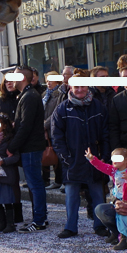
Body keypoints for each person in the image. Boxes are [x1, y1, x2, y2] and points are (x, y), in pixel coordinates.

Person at [50, 81, 109, 238]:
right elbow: (57, 137)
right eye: (76, 87)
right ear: (71, 88)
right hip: (72, 160)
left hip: (95, 159)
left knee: (98, 195)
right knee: (71, 197)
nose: (80, 89)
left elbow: (105, 133)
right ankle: (70, 227)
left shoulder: (98, 106)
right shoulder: (62, 109)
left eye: (83, 86)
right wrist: (66, 158)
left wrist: (104, 156)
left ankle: (100, 225)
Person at [7, 65, 48, 232]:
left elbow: (25, 126)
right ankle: (40, 218)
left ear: (22, 78)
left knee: (35, 185)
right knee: (34, 184)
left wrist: (12, 146)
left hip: (31, 147)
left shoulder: (29, 96)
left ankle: (39, 221)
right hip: (30, 146)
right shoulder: (27, 95)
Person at [86, 147, 127, 250]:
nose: (114, 160)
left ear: (126, 160)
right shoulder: (113, 170)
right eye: (113, 158)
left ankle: (124, 239)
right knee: (112, 214)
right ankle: (116, 233)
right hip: (117, 199)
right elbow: (102, 166)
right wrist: (92, 159)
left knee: (123, 217)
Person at [0, 72, 23, 224]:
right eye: (7, 82)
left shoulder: (21, 97)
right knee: (5, 179)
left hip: (18, 139)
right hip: (2, 140)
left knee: (15, 180)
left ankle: (17, 212)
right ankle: (6, 216)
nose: (10, 84)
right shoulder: (0, 100)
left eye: (12, 81)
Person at [41, 70, 62, 190]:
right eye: (47, 80)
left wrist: (45, 124)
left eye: (51, 80)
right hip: (43, 130)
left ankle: (58, 180)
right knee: (45, 154)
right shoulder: (45, 94)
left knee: (55, 155)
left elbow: (56, 112)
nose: (48, 83)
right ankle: (46, 179)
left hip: (53, 128)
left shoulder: (59, 94)